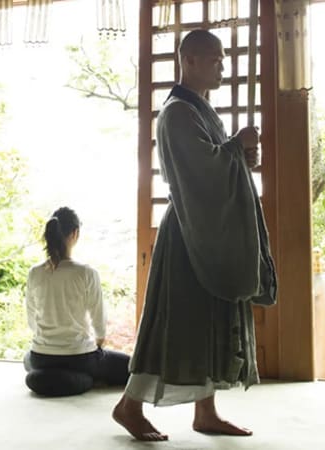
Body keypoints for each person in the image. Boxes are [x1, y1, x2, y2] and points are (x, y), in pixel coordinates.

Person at [112, 29, 277, 441]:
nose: (223, 66)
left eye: (224, 59)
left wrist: (241, 156)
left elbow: (223, 168)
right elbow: (200, 172)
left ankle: (206, 412)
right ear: (189, 61)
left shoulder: (200, 109)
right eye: (216, 59)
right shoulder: (177, 113)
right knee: (174, 321)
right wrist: (236, 149)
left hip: (208, 227)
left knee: (209, 319)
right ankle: (129, 405)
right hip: (189, 229)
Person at [23, 207, 130, 397]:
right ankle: (86, 379)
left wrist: (47, 342)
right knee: (130, 367)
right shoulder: (86, 273)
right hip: (80, 357)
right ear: (75, 233)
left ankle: (60, 378)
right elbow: (98, 315)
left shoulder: (35, 273)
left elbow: (31, 319)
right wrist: (99, 340)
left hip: (42, 357)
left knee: (28, 360)